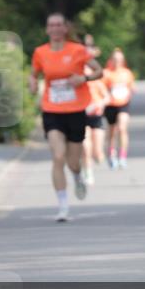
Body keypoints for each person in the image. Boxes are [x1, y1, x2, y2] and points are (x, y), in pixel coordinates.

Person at [30, 13, 103, 222]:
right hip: (52, 110)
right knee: (58, 156)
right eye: (51, 25)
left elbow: (99, 71)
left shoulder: (78, 50)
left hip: (76, 110)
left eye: (59, 24)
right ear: (47, 29)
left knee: (73, 162)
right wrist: (32, 83)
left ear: (65, 28)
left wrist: (84, 78)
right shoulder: (40, 52)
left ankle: (78, 175)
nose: (54, 28)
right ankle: (63, 206)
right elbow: (33, 73)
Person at [103, 48, 135, 169]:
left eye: (120, 59)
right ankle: (111, 155)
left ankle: (122, 156)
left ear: (123, 60)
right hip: (110, 105)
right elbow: (101, 89)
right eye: (115, 59)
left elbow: (132, 87)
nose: (117, 61)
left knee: (122, 128)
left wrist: (129, 91)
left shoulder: (127, 73)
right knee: (111, 132)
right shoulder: (106, 73)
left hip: (123, 104)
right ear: (111, 60)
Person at [82, 64, 110, 185]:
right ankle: (88, 172)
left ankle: (98, 155)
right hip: (81, 117)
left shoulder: (96, 82)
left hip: (96, 116)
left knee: (98, 154)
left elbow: (108, 97)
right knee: (85, 146)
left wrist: (100, 104)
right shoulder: (77, 84)